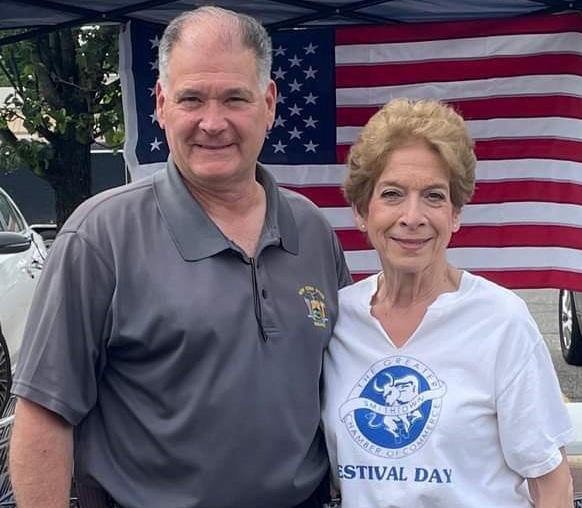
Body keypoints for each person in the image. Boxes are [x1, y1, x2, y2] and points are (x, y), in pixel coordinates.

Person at [9, 6, 351, 508]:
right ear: (162, 105)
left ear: (269, 104)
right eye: (192, 99)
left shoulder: (313, 231)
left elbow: (346, 385)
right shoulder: (101, 236)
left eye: (235, 98)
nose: (212, 123)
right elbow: (44, 415)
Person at [321, 98, 574, 507]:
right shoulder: (337, 321)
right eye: (392, 194)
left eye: (434, 196)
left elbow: (551, 485)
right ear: (361, 212)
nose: (413, 216)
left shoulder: (500, 321)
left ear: (455, 214)